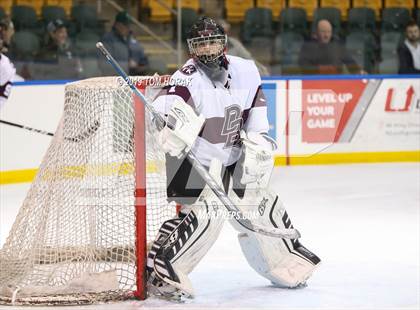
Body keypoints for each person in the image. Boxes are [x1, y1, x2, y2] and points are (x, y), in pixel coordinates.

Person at [146, 16, 320, 300]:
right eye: (200, 44)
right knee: (205, 217)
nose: (207, 49)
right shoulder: (187, 76)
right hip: (194, 163)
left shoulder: (246, 70)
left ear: (223, 43)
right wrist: (165, 122)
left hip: (234, 157)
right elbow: (166, 106)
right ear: (192, 48)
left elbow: (256, 115)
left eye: (212, 41)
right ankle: (164, 269)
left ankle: (285, 262)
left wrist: (256, 144)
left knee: (262, 205)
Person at [298, 19, 365, 75]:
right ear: (317, 32)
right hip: (315, 82)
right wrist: (324, 70)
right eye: (323, 32)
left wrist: (359, 72)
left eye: (329, 32)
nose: (326, 35)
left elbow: (350, 62)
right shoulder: (307, 47)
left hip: (335, 82)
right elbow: (304, 67)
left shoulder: (337, 46)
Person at [99, 11, 149, 76]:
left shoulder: (132, 40)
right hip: (115, 79)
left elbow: (144, 63)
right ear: (117, 25)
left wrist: (140, 67)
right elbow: (103, 64)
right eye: (125, 25)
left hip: (135, 78)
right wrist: (127, 65)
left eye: (129, 25)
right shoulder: (107, 40)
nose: (128, 28)